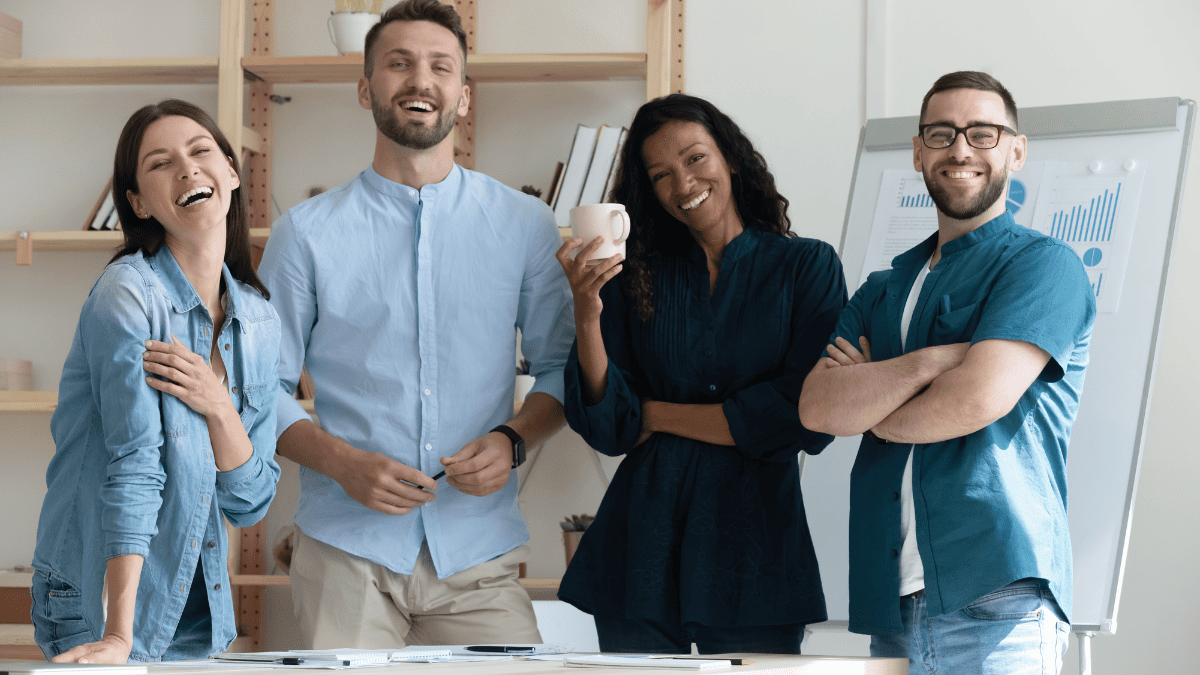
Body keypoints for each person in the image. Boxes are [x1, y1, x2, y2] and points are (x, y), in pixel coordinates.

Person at [255, 0, 574, 649]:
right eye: (398, 64)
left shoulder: (525, 226)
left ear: (463, 93)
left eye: (440, 66)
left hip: (478, 557)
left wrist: (513, 438)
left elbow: (561, 369)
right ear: (366, 87)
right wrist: (340, 462)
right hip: (343, 554)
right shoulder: (303, 235)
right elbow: (259, 390)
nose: (419, 80)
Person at [798, 71, 1096, 674]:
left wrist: (875, 401)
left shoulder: (1043, 266)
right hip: (894, 601)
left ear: (1016, 149)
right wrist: (934, 360)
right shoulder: (884, 288)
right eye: (941, 134)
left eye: (982, 134)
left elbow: (974, 400)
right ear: (918, 151)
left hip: (996, 595)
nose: (960, 150)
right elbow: (819, 410)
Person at [554, 94, 846, 654]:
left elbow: (805, 419)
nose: (683, 184)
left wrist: (656, 414)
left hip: (755, 552)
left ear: (730, 157)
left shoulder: (806, 268)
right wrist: (587, 315)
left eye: (695, 159)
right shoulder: (631, 275)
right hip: (639, 551)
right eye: (661, 174)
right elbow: (611, 426)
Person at [31, 99, 281, 663]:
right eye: (160, 163)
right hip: (102, 594)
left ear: (232, 172)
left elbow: (251, 501)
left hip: (195, 601)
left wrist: (219, 407)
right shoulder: (128, 295)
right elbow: (135, 467)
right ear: (139, 202)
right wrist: (119, 636)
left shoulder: (259, 321)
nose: (188, 169)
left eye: (200, 152)